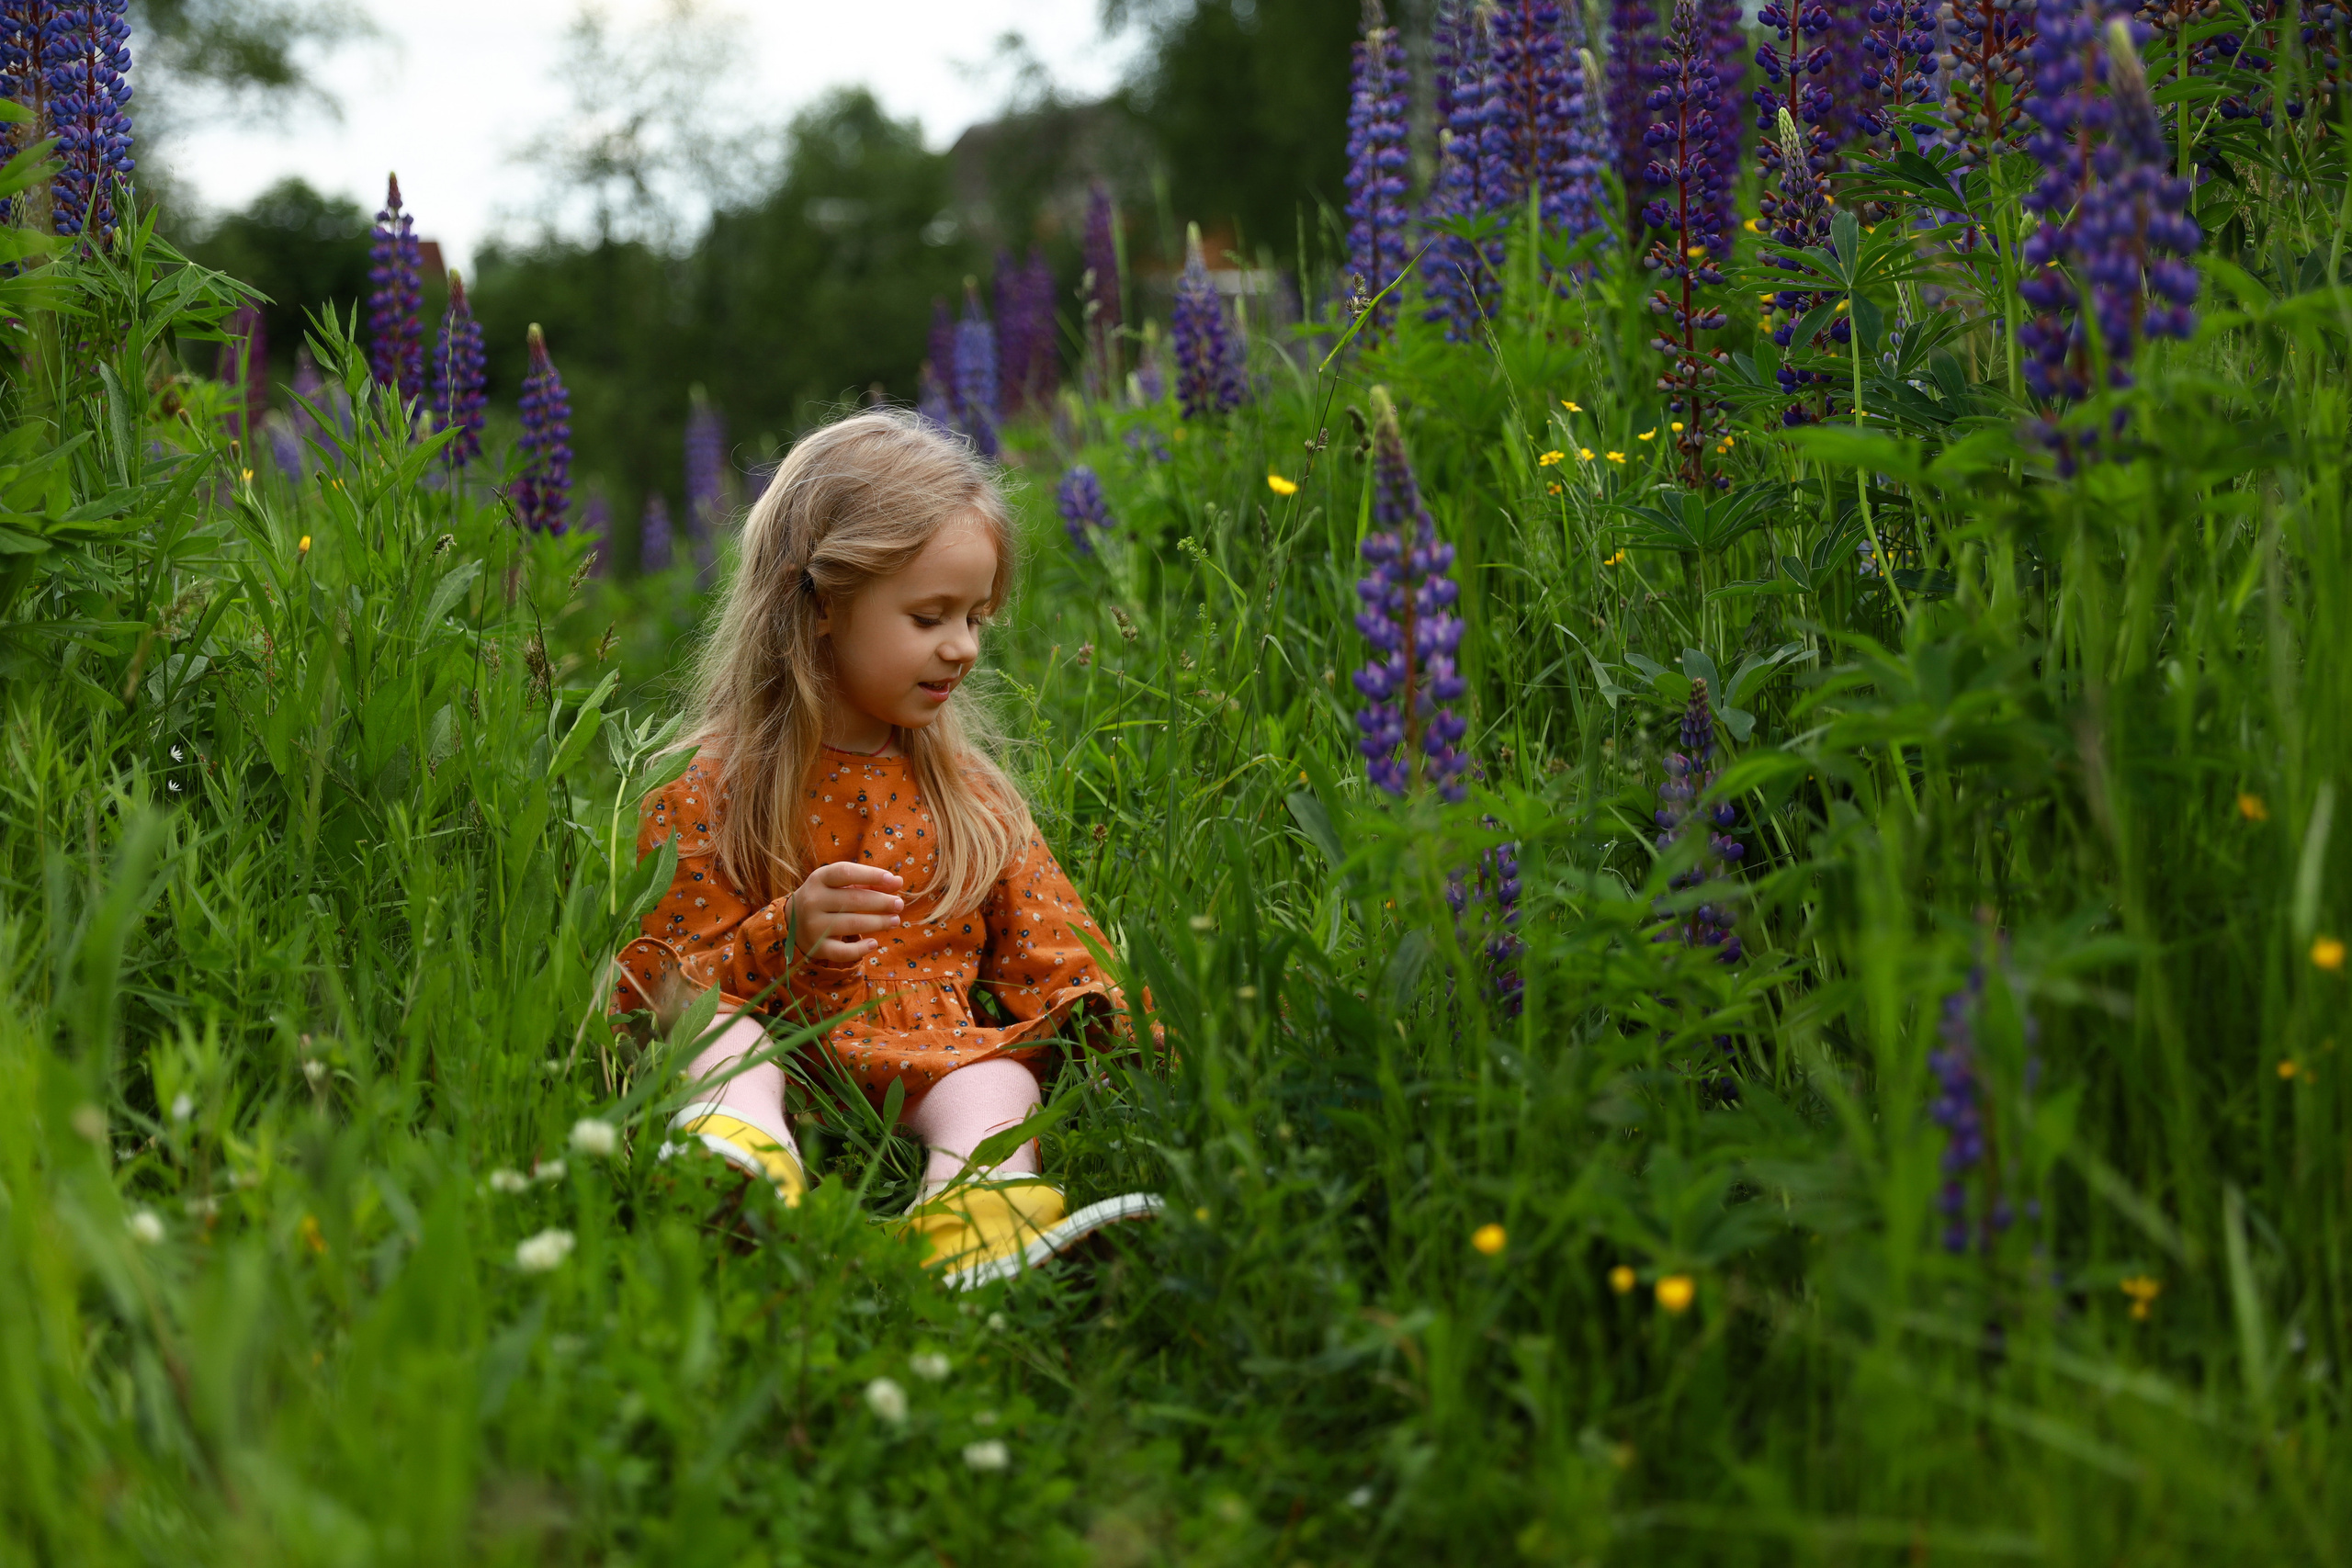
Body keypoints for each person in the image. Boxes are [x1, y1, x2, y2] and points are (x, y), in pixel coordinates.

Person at [610, 408, 1156, 1286]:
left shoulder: (972, 796)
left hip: (925, 1052)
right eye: (930, 615)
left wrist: (1150, 1029)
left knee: (1000, 1083)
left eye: (977, 617)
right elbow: (663, 979)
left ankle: (975, 1227)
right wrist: (786, 936)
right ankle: (739, 1167)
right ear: (821, 606)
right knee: (714, 1035)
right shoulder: (714, 786)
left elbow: (1057, 943)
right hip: (777, 1039)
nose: (963, 647)